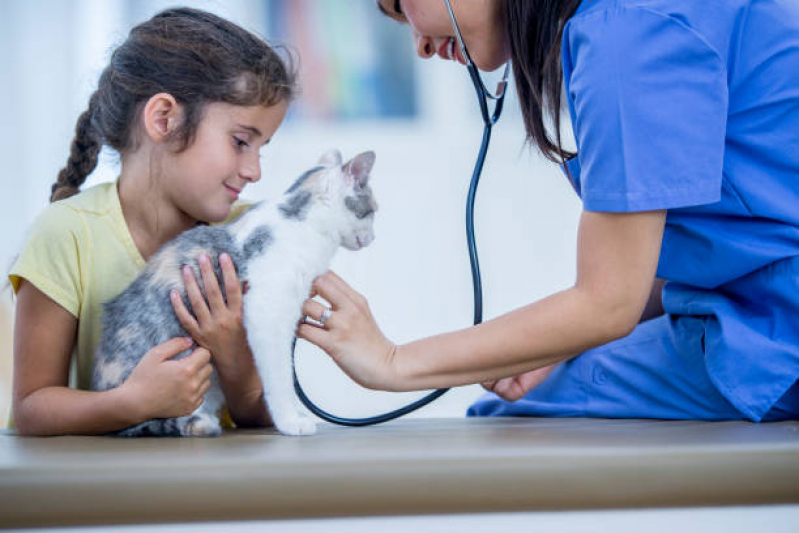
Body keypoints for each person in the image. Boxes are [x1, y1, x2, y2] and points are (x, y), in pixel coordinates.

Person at [296, 0, 799, 422]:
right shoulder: (637, 19)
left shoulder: (625, 42)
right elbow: (739, 242)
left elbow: (608, 303)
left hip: (779, 335)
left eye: (403, 4)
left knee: (507, 425)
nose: (421, 45)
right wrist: (555, 342)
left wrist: (392, 362)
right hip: (768, 303)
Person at [8, 8, 296, 435]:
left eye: (261, 149)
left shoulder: (250, 236)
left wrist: (233, 350)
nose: (255, 170)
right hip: (104, 495)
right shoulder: (67, 233)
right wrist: (130, 403)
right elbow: (32, 408)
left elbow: (268, 414)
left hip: (218, 492)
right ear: (164, 119)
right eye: (240, 142)